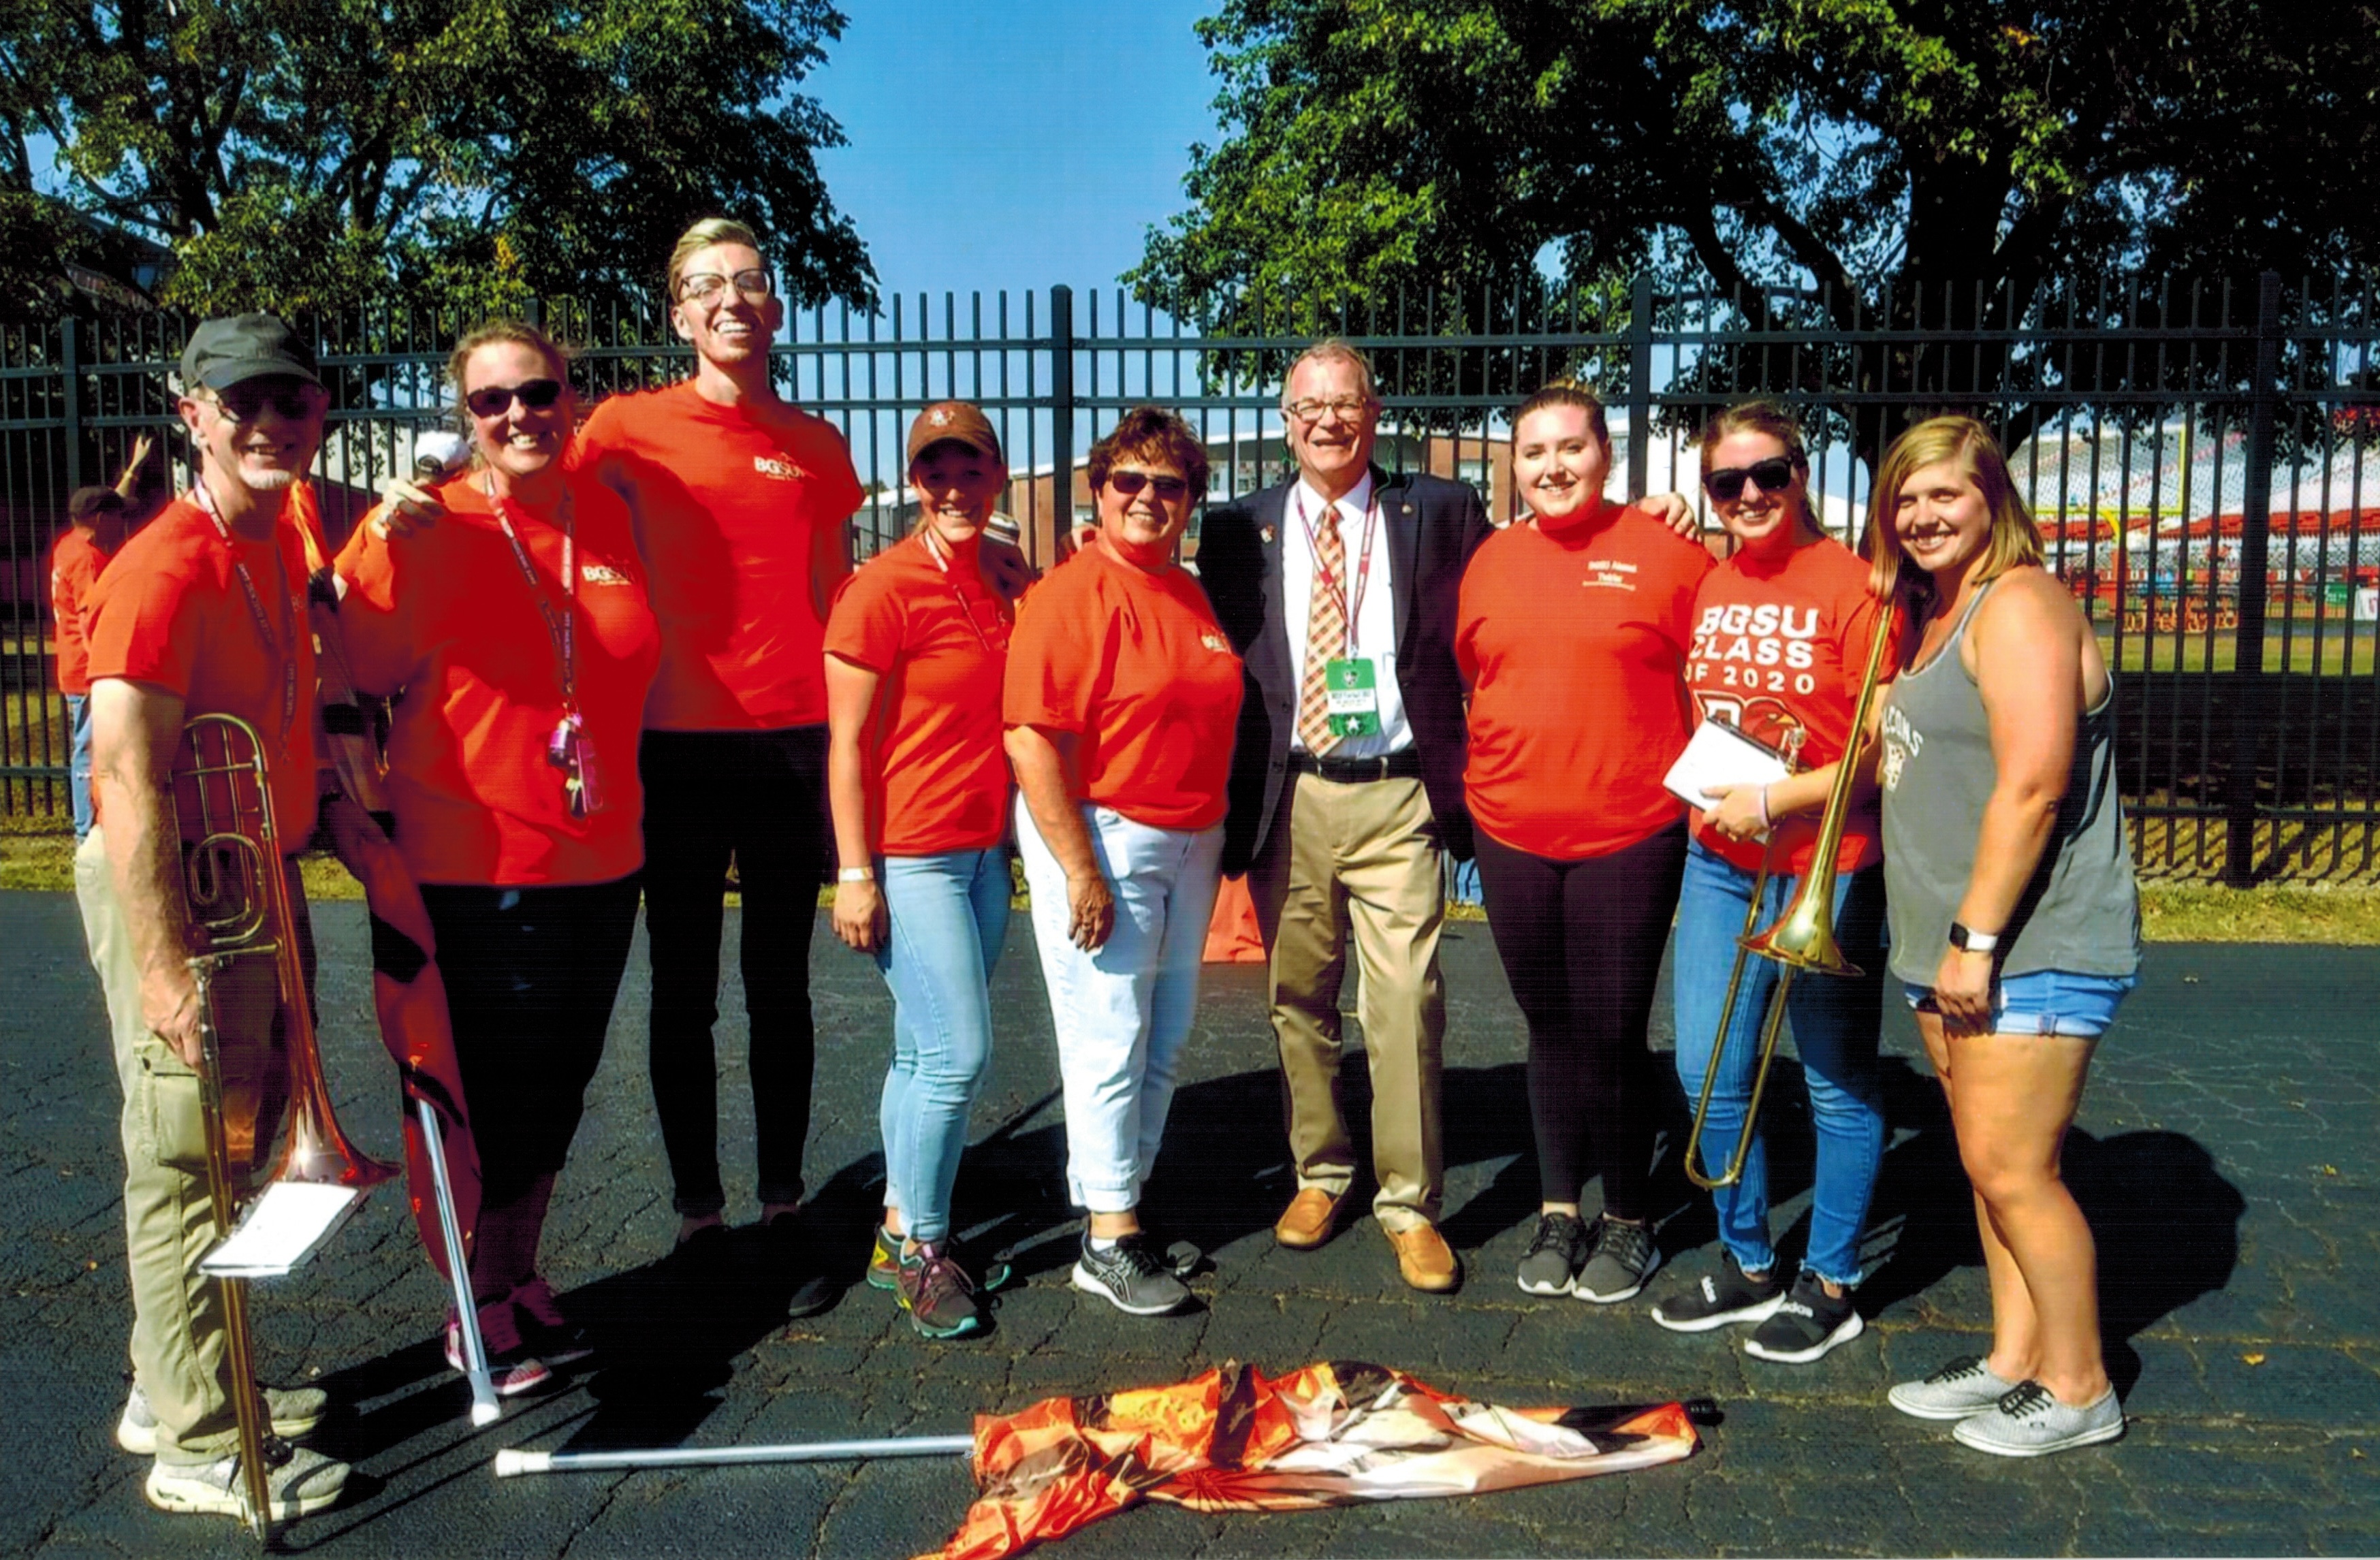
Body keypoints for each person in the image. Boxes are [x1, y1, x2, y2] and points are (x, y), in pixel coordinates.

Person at [338, 321, 661, 1394]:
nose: (519, 413)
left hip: (604, 855)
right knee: (493, 1093)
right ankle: (468, 1298)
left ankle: (517, 1268)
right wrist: (375, 533)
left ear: (570, 396)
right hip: (478, 862)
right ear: (465, 418)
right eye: (491, 401)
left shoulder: (604, 513)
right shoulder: (427, 527)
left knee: (559, 1089)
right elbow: (338, 651)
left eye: (537, 391)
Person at [74, 314, 347, 1519]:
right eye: (242, 403)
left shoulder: (271, 546)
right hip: (176, 880)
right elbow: (124, 774)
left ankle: (173, 1381)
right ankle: (194, 1437)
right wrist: (164, 965)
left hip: (244, 869)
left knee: (226, 1142)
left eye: (292, 402)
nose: (270, 423)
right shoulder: (166, 563)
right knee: (187, 1154)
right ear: (190, 411)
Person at [575, 218, 863, 1310]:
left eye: (749, 279)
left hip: (791, 740)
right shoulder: (620, 428)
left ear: (775, 306)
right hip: (672, 741)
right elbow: (536, 517)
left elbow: (839, 596)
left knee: (779, 985)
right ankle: (700, 1212)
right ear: (679, 313)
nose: (730, 299)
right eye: (706, 285)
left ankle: (783, 1204)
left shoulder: (816, 443)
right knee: (683, 988)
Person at [1867, 415, 2140, 1456]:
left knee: (2013, 1165)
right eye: (1905, 498)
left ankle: (2078, 1385)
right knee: (1987, 1165)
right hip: (1951, 942)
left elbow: (2031, 786)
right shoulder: (1936, 610)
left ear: (1993, 499)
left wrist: (1973, 938)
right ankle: (2012, 1356)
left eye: (1946, 494)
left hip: (2025, 940)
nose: (1923, 514)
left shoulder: (2019, 602)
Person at [1197, 340, 1491, 1294]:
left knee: (1404, 999)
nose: (1327, 420)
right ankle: (1320, 1171)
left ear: (1373, 412)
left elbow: (1510, 596)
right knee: (1297, 999)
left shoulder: (1439, 511)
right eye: (1307, 405)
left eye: (1345, 402)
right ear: (1286, 421)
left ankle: (1409, 1201)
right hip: (1292, 793)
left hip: (1400, 788)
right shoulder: (1238, 528)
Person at [1647, 402, 1895, 1364]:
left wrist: (1777, 793)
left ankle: (1830, 1278)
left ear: (1798, 473)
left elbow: (1879, 751)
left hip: (1823, 865)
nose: (1748, 494)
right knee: (1704, 1069)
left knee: (1833, 1081)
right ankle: (1747, 1257)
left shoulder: (1853, 584)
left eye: (1767, 474)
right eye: (1725, 481)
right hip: (1720, 858)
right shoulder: (1708, 580)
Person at [1455, 383, 1713, 1305]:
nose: (1551, 468)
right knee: (1548, 1025)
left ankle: (1630, 1217)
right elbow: (1475, 672)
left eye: (1569, 448)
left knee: (1610, 1028)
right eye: (1532, 453)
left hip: (1627, 827)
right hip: (1509, 826)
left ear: (1605, 456)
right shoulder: (1489, 559)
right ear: (1512, 465)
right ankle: (1558, 1207)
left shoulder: (1664, 551)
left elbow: (1711, 673)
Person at [1004, 406, 1243, 1316]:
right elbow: (1029, 739)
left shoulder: (1184, 590)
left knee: (1165, 1029)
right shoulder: (1070, 592)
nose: (1147, 498)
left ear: (1190, 498)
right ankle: (1104, 1234)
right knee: (1107, 1033)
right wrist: (1078, 868)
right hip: (1106, 832)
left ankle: (1127, 1207)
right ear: (1096, 491)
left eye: (1168, 484)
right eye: (1127, 482)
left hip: (1190, 836)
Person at [823, 402, 1015, 1340]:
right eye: (934, 472)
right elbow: (846, 743)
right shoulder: (881, 587)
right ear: (912, 483)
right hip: (912, 855)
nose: (952, 487)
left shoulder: (1000, 578)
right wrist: (853, 870)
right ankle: (924, 1248)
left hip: (983, 855)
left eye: (969, 469)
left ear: (997, 475)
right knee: (957, 1055)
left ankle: (897, 1226)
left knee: (918, 1051)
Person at [50, 477, 133, 840]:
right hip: (88, 670)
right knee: (88, 749)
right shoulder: (86, 559)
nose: (122, 523)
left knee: (91, 746)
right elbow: (89, 620)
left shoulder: (68, 546)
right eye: (116, 516)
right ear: (100, 519)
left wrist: (133, 468)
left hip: (75, 666)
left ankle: (93, 825)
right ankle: (86, 831)